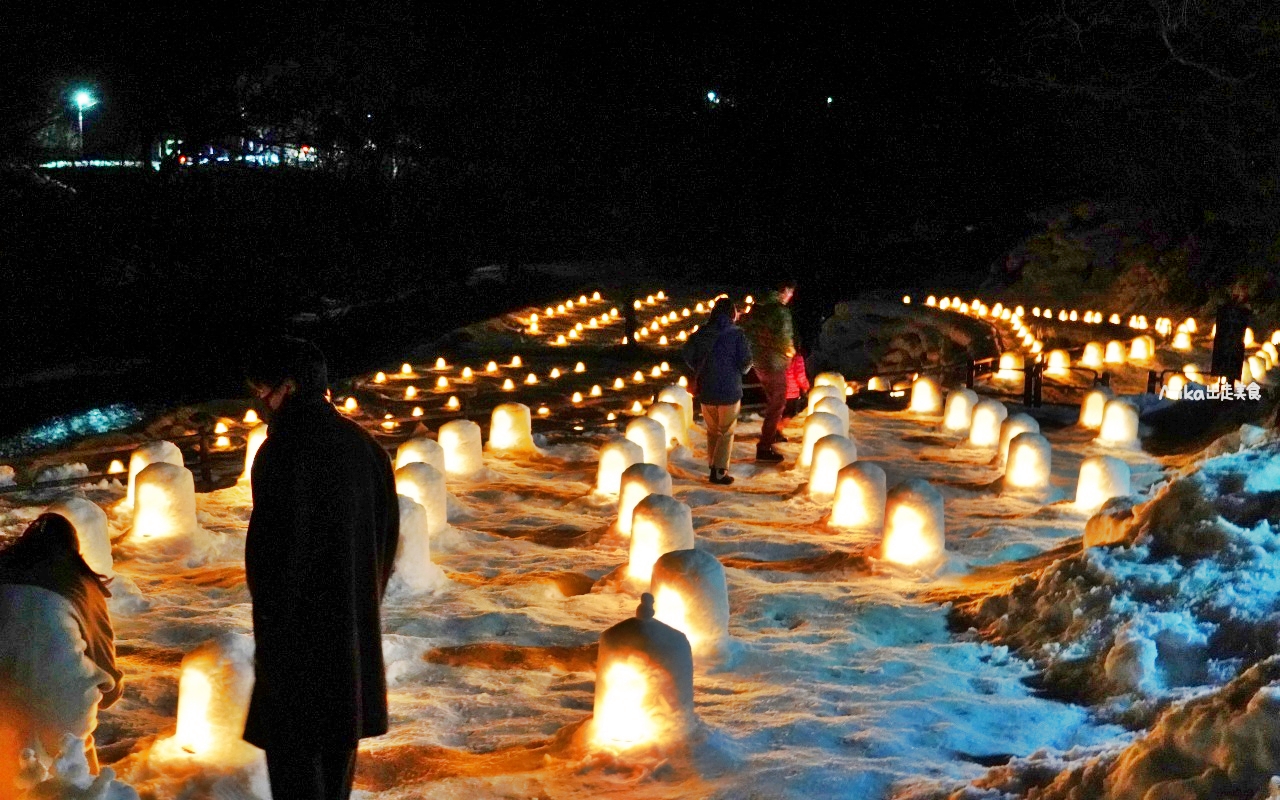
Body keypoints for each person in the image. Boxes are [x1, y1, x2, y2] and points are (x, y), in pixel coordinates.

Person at [242, 336, 400, 800]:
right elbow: (386, 541)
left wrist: (271, 629)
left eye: (263, 390)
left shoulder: (282, 452)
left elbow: (271, 555)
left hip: (297, 641)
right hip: (352, 632)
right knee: (336, 764)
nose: (260, 403)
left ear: (287, 388)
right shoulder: (364, 447)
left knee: (296, 767)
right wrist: (361, 595)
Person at [0, 513, 121, 787]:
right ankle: (89, 789)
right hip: (65, 703)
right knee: (74, 760)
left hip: (3, 702)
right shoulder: (81, 583)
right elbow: (104, 658)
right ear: (73, 550)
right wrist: (110, 691)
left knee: (8, 767)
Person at [682, 299, 753, 485]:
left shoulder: (701, 333)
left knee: (712, 430)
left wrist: (700, 368)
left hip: (706, 390)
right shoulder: (738, 335)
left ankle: (713, 464)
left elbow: (688, 355)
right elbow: (746, 364)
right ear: (732, 314)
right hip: (729, 390)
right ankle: (720, 471)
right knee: (726, 432)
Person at [741, 278, 797, 462]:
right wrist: (790, 353)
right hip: (775, 363)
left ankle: (772, 433)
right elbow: (784, 338)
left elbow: (746, 331)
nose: (790, 297)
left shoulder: (756, 309)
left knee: (772, 400)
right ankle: (764, 446)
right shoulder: (780, 311)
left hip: (759, 362)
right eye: (790, 293)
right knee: (778, 403)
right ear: (784, 291)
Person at [1211, 287, 1251, 384]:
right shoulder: (1227, 310)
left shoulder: (1240, 311)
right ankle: (1226, 388)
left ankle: (1228, 389)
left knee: (1230, 370)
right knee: (1227, 367)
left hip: (1232, 345)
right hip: (1227, 344)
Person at [781, 347, 811, 434]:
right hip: (791, 393)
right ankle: (783, 434)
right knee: (788, 415)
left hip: (777, 391)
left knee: (778, 415)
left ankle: (775, 434)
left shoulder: (778, 357)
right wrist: (806, 386)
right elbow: (800, 376)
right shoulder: (797, 358)